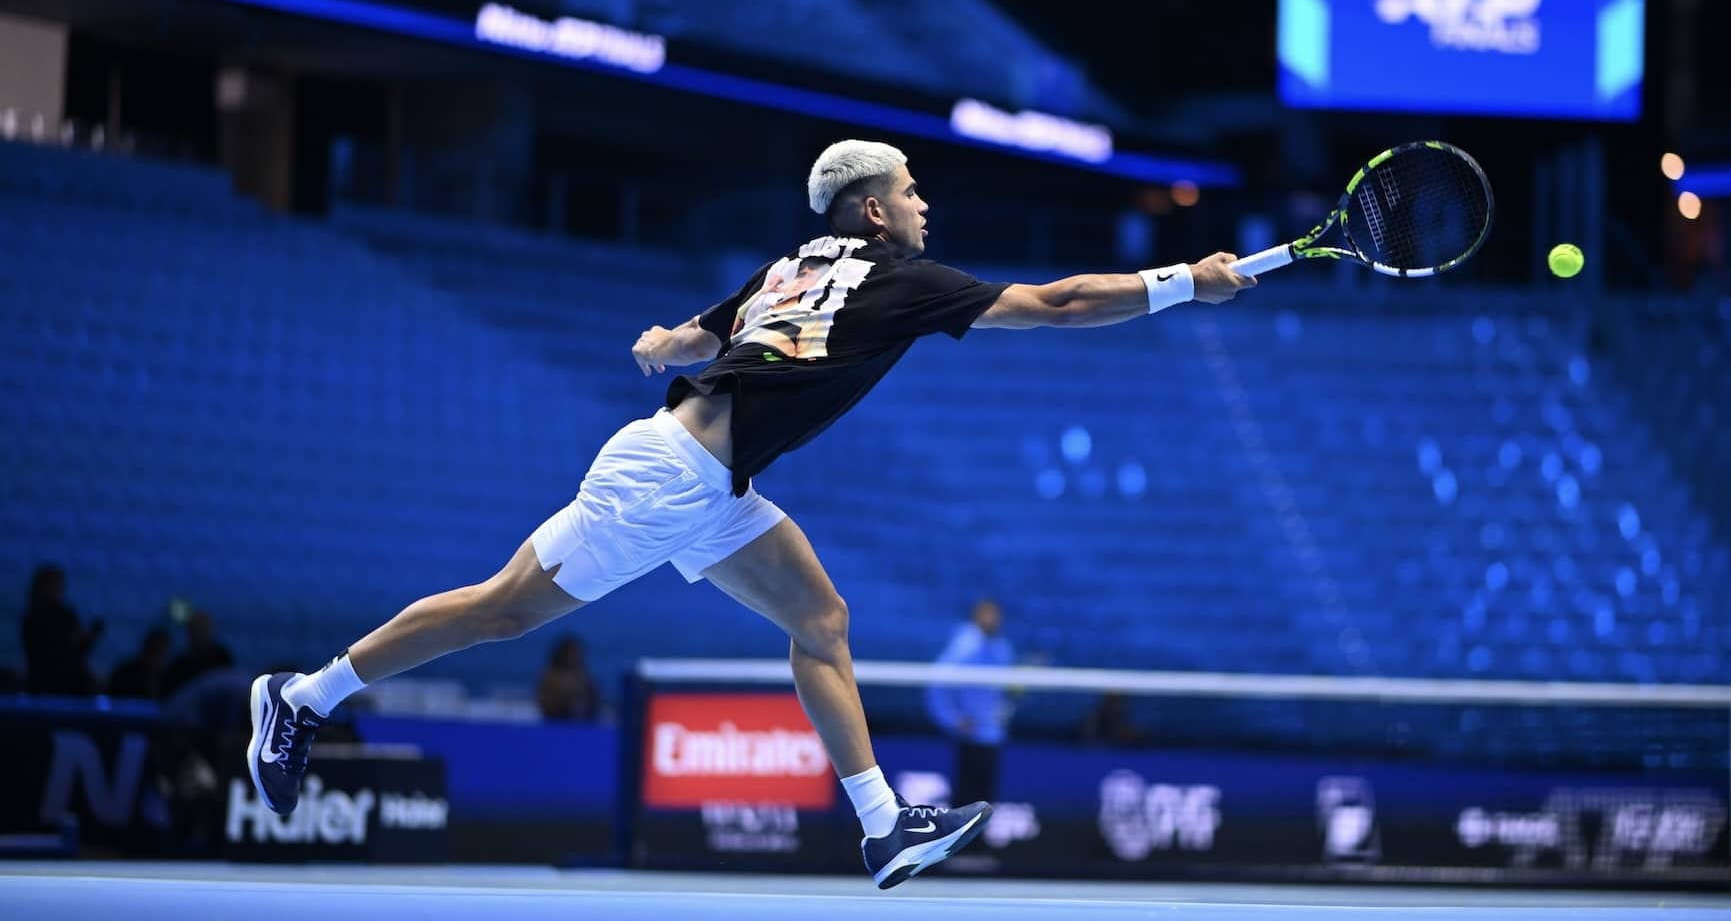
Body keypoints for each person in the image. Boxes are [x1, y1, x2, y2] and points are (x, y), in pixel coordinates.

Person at [246, 139, 1253, 889]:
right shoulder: (898, 280)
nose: (922, 203)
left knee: (822, 622)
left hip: (711, 485)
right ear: (870, 210)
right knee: (500, 610)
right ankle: (304, 697)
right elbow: (1065, 303)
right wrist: (1183, 284)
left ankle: (882, 825)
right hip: (667, 477)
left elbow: (695, 338)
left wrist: (657, 341)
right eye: (909, 190)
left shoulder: (792, 265)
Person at [926, 600, 1014, 806]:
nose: (991, 619)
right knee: (966, 798)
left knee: (987, 797)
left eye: (995, 614)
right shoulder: (964, 646)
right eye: (986, 614)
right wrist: (952, 718)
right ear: (976, 616)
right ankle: (964, 839)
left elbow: (1004, 691)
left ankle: (981, 838)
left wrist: (1005, 710)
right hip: (970, 734)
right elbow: (937, 686)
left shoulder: (1003, 648)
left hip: (993, 735)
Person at [21, 565, 102, 696]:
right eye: (53, 583)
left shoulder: (60, 614)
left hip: (62, 685)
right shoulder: (40, 617)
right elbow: (69, 648)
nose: (57, 588)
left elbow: (78, 648)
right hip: (49, 684)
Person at [163, 611, 235, 696]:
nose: (199, 635)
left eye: (203, 630)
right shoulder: (180, 664)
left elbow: (230, 683)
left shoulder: (222, 657)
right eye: (196, 631)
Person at [537, 635, 599, 721]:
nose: (573, 657)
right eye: (571, 654)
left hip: (583, 723)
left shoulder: (584, 676)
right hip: (555, 721)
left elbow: (593, 702)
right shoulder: (550, 676)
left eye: (576, 654)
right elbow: (545, 702)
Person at [108, 625, 172, 700]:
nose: (156, 656)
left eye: (161, 652)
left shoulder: (166, 680)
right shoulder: (125, 674)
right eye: (154, 650)